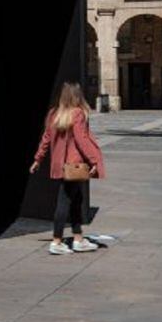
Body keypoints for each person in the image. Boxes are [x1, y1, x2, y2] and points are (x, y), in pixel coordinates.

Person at [30, 82, 105, 255]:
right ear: (76, 96)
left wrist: (38, 159)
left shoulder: (53, 114)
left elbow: (46, 139)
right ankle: (57, 242)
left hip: (62, 165)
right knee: (65, 202)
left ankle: (78, 238)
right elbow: (81, 139)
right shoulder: (77, 113)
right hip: (75, 165)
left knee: (76, 200)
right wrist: (94, 160)